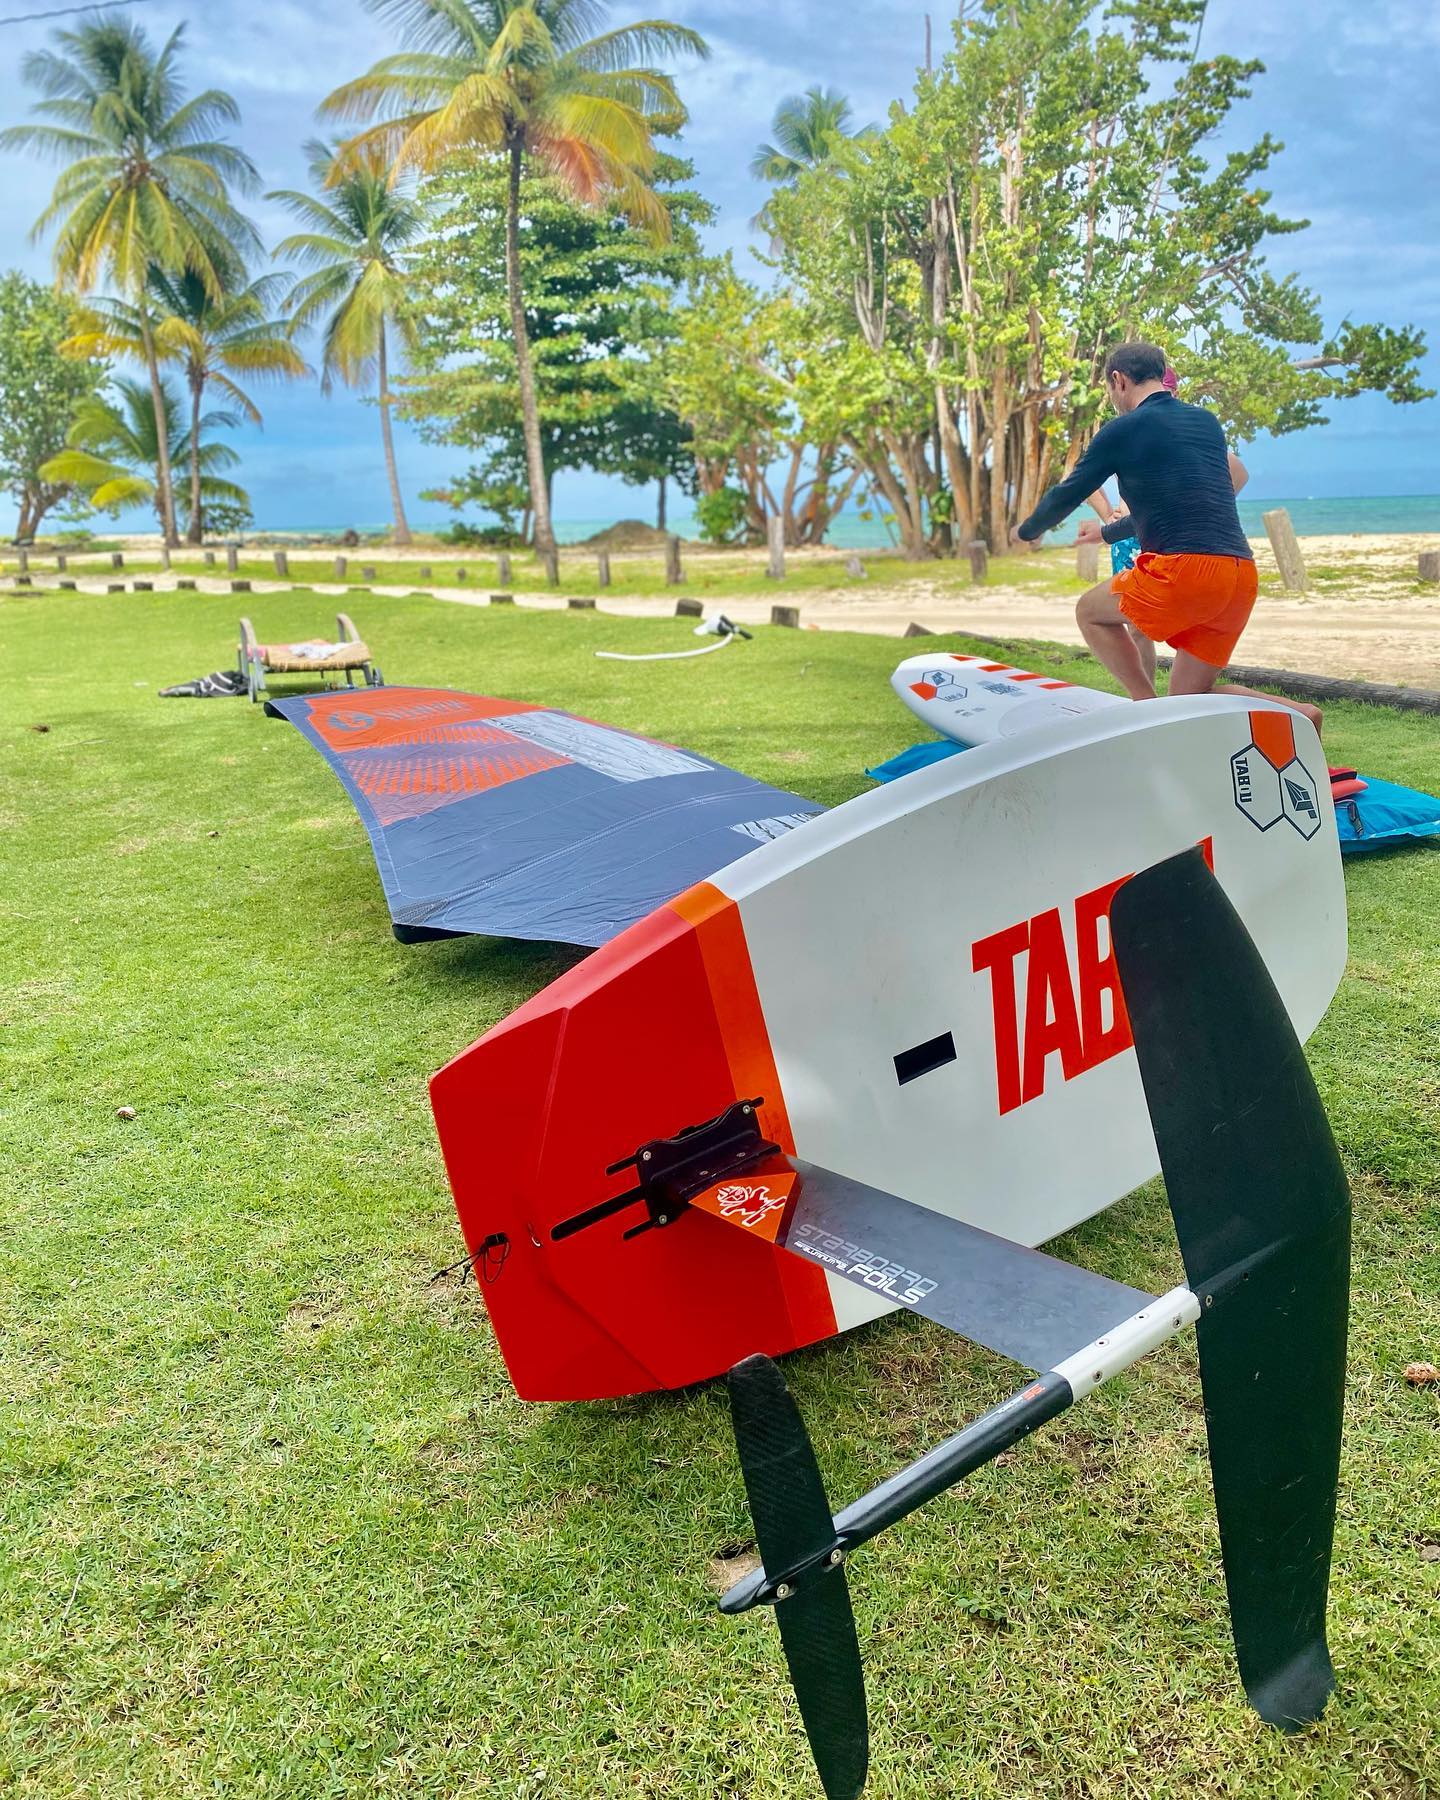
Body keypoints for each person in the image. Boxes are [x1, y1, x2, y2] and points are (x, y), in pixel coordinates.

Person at [1015, 342, 1319, 729]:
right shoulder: (1206, 422)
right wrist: (1107, 534)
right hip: (1240, 575)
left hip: (1184, 572)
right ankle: (1298, 716)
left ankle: (1144, 709)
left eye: (1111, 391)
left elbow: (1068, 492)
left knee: (1089, 613)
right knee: (1191, 702)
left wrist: (1025, 531)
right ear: (1161, 375)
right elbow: (1172, 506)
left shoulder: (1122, 429)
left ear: (1118, 380)